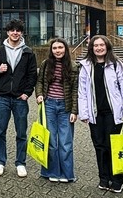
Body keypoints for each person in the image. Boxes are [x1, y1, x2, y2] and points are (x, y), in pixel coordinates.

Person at [77, 35, 123, 193]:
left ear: (107, 47)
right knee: (100, 147)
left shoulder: (116, 64)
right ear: (91, 48)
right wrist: (84, 113)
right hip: (96, 115)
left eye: (102, 45)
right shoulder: (86, 66)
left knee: (114, 147)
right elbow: (82, 92)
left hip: (113, 114)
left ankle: (117, 179)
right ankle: (103, 178)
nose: (99, 48)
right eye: (96, 45)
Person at [0, 18, 37, 178]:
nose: (15, 33)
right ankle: (0, 162)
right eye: (12, 30)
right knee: (0, 131)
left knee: (21, 132)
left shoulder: (28, 52)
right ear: (7, 32)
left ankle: (20, 163)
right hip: (2, 97)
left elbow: (32, 75)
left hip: (20, 99)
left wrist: (27, 93)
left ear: (21, 33)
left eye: (18, 30)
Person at [35, 38, 78, 183]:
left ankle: (67, 174)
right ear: (51, 50)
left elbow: (75, 90)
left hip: (65, 108)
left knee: (66, 143)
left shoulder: (73, 66)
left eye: (60, 47)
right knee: (51, 142)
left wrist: (74, 111)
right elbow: (39, 81)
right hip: (49, 106)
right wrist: (39, 94)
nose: (57, 50)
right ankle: (51, 171)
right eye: (54, 48)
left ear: (65, 49)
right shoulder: (46, 64)